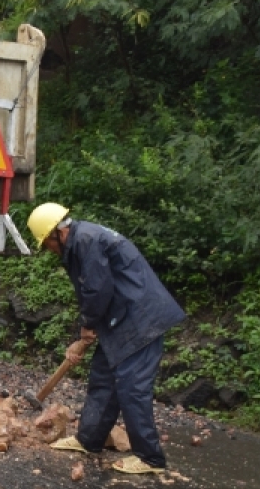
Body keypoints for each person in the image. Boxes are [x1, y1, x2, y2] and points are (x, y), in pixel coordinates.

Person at [27, 203, 186, 474]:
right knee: (103, 377)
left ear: (57, 233)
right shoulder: (81, 240)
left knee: (132, 386)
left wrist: (88, 327)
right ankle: (89, 440)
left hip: (141, 318)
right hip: (120, 317)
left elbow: (97, 289)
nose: (49, 250)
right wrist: (87, 329)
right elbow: (94, 289)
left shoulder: (86, 241)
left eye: (47, 244)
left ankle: (150, 458)